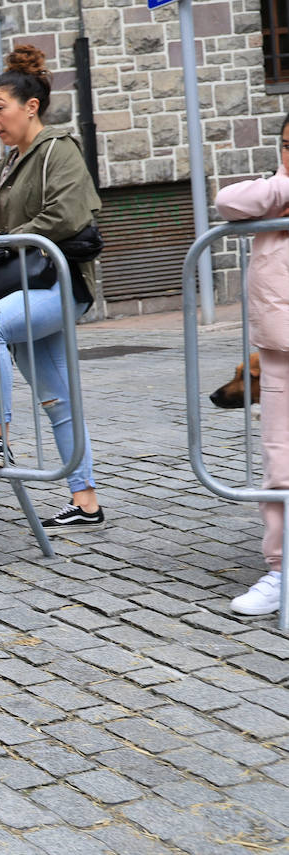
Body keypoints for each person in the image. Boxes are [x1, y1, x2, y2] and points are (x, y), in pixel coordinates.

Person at [0, 44, 104, 530]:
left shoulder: (58, 150)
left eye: (0, 109)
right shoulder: (4, 167)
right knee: (58, 399)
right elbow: (7, 235)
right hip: (22, 284)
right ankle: (86, 501)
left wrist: (2, 238)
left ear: (31, 106)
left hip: (58, 285)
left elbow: (66, 215)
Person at [215, 113, 289, 615]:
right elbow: (227, 201)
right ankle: (281, 571)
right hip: (280, 347)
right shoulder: (275, 192)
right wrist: (283, 186)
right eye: (287, 146)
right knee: (281, 462)